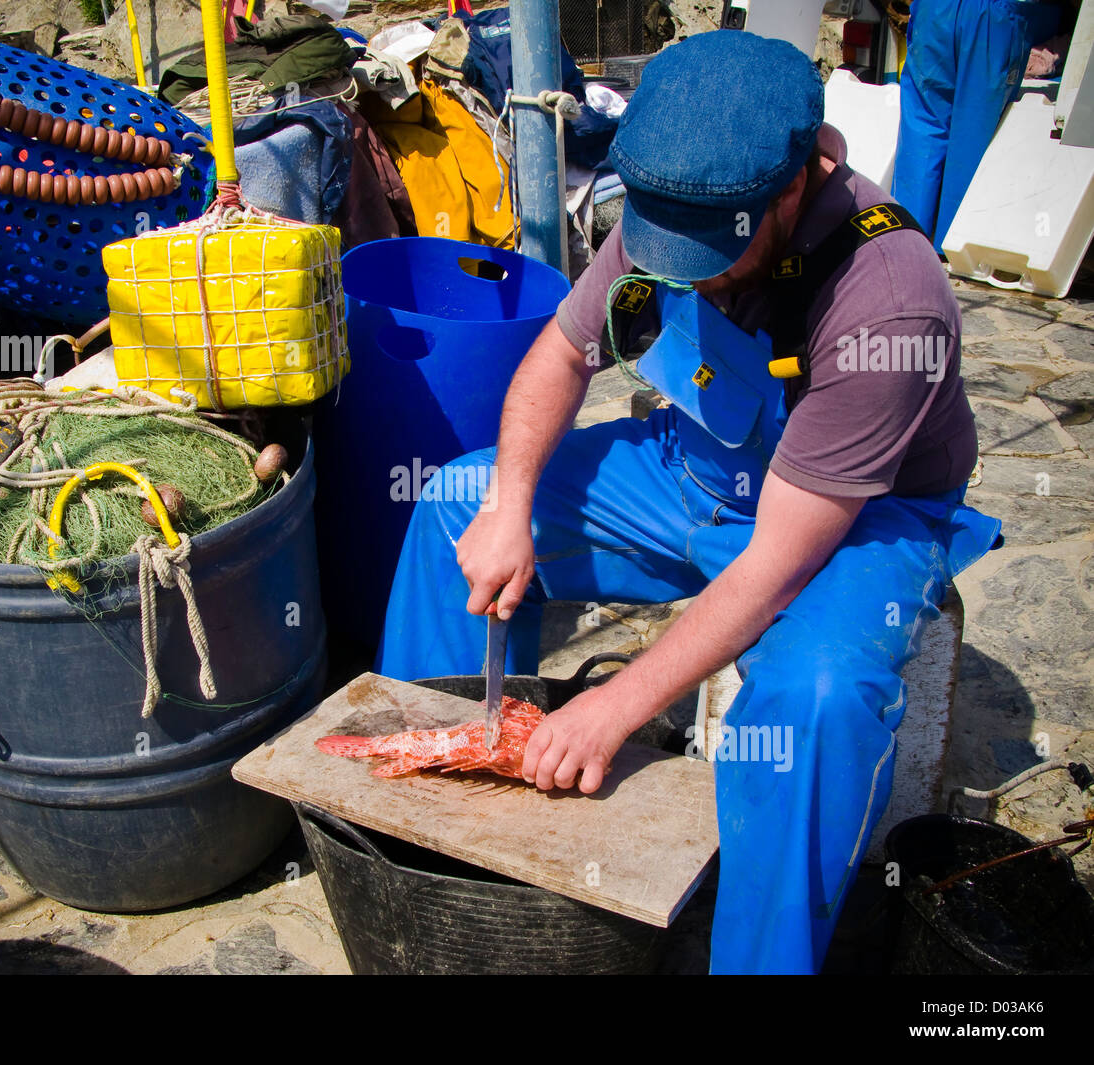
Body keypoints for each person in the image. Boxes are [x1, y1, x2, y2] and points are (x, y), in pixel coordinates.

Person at [374, 29, 1002, 973]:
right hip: (698, 467)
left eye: (712, 251)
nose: (682, 270)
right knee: (457, 502)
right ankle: (429, 821)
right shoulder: (676, 204)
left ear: (797, 180)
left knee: (815, 702)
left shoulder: (889, 302)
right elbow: (556, 355)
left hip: (849, 527)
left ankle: (759, 956)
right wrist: (508, 505)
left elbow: (774, 565)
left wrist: (615, 705)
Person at [892, 0, 1065, 254]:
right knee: (973, 133)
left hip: (935, 11)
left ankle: (903, 241)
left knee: (923, 127)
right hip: (992, 16)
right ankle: (952, 248)